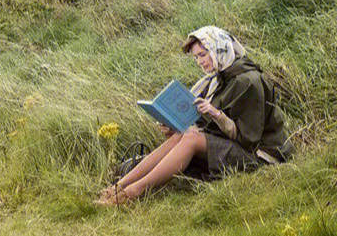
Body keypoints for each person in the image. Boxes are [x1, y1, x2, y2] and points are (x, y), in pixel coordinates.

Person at [97, 26, 292, 206]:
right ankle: (118, 187)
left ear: (218, 49)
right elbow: (209, 130)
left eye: (203, 54)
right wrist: (174, 125)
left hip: (259, 156)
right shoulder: (219, 77)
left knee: (191, 138)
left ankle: (132, 193)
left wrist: (216, 114)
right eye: (196, 57)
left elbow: (248, 140)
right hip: (235, 147)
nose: (200, 62)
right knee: (181, 135)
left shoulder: (248, 81)